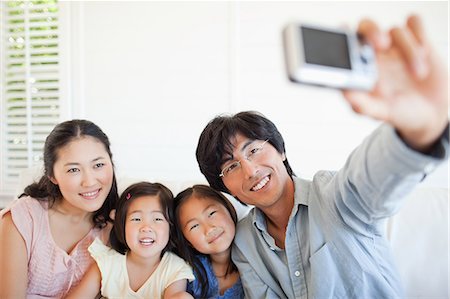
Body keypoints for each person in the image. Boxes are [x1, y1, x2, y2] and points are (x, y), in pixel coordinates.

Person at [195, 15, 449, 298]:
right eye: (231, 166)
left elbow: (372, 179)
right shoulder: (244, 241)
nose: (250, 169)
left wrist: (418, 130)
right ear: (224, 187)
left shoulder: (331, 195)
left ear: (280, 150)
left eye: (253, 149)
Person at [0, 119, 119, 298]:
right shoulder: (23, 218)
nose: (90, 181)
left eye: (98, 165)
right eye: (73, 170)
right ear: (52, 176)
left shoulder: (119, 227)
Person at [66, 181, 194, 299]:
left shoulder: (174, 268)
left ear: (171, 227)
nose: (146, 228)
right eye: (136, 219)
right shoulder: (107, 263)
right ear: (122, 226)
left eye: (157, 219)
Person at [173, 185, 244, 298]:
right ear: (186, 240)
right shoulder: (185, 273)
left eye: (211, 214)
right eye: (194, 226)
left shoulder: (256, 262)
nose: (209, 229)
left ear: (229, 209)